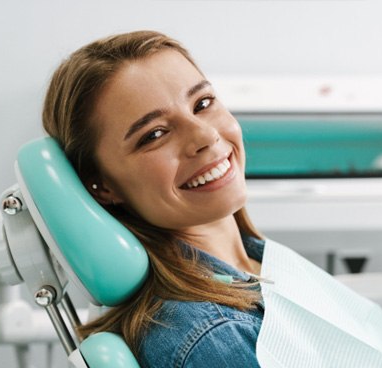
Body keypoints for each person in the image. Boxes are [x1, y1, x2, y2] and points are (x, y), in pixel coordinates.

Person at [42, 30, 265, 367]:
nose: (205, 136)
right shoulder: (212, 338)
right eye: (154, 135)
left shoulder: (258, 263)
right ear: (102, 186)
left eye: (202, 104)